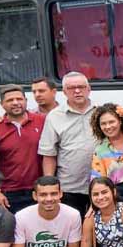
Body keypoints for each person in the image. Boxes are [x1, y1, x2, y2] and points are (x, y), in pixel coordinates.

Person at [38, 72, 97, 217]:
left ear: (89, 89)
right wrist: (50, 186)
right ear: (64, 92)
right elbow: (48, 154)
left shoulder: (100, 112)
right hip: (69, 187)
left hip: (99, 186)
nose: (77, 91)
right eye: (71, 88)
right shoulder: (54, 116)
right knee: (73, 230)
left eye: (81, 87)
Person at [0, 84, 46, 214]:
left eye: (19, 99)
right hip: (8, 194)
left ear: (26, 101)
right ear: (2, 104)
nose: (15, 103)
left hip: (38, 190)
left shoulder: (42, 121)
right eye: (10, 100)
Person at [90, 103, 123, 215]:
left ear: (120, 121)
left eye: (111, 122)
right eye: (103, 124)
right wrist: (93, 204)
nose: (108, 126)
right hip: (117, 196)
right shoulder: (100, 150)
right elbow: (97, 179)